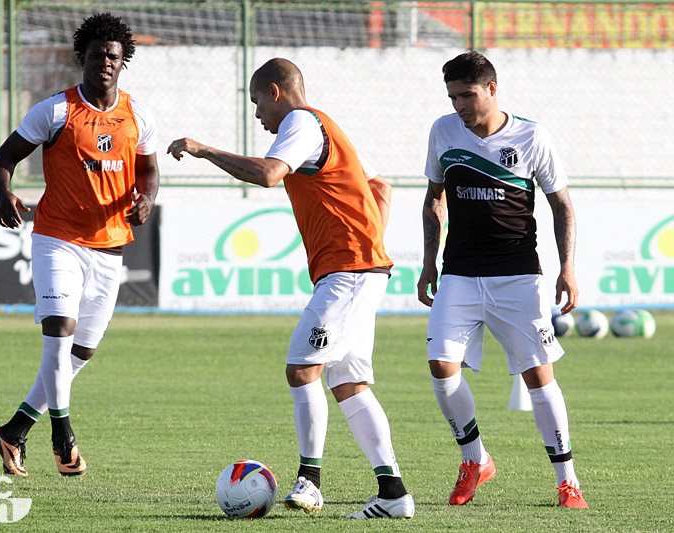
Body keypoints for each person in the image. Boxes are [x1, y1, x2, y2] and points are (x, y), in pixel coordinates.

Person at [167, 58, 413, 520]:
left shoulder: (299, 122)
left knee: (302, 370)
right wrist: (366, 238)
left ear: (276, 93)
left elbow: (268, 174)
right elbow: (380, 186)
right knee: (349, 383)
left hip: (350, 272)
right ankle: (394, 494)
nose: (257, 113)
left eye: (257, 101)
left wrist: (204, 150)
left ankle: (310, 481)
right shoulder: (326, 125)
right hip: (360, 269)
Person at [0, 13, 159, 477]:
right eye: (97, 54)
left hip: (110, 248)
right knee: (59, 331)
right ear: (81, 57)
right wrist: (3, 192)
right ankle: (61, 431)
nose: (105, 61)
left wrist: (148, 199)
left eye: (114, 56)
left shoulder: (137, 114)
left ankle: (14, 429)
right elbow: (5, 157)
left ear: (123, 63)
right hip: (57, 239)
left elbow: (148, 171)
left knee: (81, 351)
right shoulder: (56, 111)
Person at [417, 50, 587, 508]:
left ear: (492, 89)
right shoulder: (443, 131)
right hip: (459, 273)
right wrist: (429, 261)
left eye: (467, 95)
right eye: (452, 97)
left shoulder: (532, 137)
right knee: (441, 366)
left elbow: (562, 206)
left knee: (537, 375)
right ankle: (475, 460)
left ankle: (567, 480)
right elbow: (435, 200)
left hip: (517, 275)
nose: (459, 106)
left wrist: (567, 267)